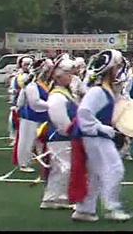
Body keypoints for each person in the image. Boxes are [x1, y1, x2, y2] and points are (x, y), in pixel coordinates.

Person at [69, 49, 132, 222]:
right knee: (115, 168)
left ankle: (84, 210)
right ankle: (111, 207)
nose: (119, 71)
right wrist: (103, 129)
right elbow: (83, 112)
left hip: (96, 136)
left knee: (96, 173)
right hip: (95, 136)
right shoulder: (98, 91)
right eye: (117, 67)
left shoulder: (106, 90)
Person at [40, 55, 77, 210]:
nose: (71, 77)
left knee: (63, 166)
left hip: (64, 136)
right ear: (59, 77)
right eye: (68, 74)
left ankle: (57, 197)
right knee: (63, 166)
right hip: (60, 137)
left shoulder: (64, 93)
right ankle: (54, 198)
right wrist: (71, 131)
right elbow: (60, 120)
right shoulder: (57, 96)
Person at [15, 58, 54, 172]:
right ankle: (24, 163)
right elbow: (35, 102)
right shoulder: (32, 85)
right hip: (30, 116)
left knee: (39, 140)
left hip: (41, 116)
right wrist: (52, 105)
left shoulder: (43, 84)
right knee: (27, 140)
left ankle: (41, 159)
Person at [8, 55, 34, 147]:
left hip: (31, 101)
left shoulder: (35, 76)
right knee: (13, 120)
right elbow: (11, 89)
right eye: (25, 64)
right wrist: (14, 91)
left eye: (29, 64)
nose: (27, 66)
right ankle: (14, 137)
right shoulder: (16, 76)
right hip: (17, 101)